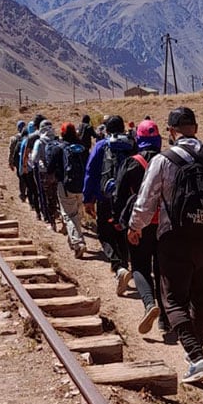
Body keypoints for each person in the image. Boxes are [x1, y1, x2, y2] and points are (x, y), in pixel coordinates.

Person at [128, 107, 203, 385]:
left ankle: (197, 357)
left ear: (171, 131)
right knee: (201, 297)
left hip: (174, 237)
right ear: (196, 128)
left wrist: (135, 227)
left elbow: (146, 199)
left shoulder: (164, 161)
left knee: (173, 299)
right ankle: (195, 354)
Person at [113, 120, 169, 334]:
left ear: (138, 139)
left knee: (139, 266)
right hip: (165, 224)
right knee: (162, 270)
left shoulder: (131, 163)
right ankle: (165, 319)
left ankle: (149, 304)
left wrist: (119, 221)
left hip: (139, 224)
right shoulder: (168, 162)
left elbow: (118, 195)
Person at [83, 115, 136, 295]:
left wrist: (88, 199)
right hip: (128, 199)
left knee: (105, 234)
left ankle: (118, 268)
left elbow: (90, 173)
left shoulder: (101, 146)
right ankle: (125, 265)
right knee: (122, 233)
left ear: (107, 129)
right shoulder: (131, 145)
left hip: (105, 197)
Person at [48, 122, 88, 258]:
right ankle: (73, 239)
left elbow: (50, 169)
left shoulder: (59, 148)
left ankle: (78, 243)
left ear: (62, 133)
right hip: (82, 186)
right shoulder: (82, 148)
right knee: (76, 213)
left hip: (66, 186)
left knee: (69, 215)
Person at [31, 120, 61, 231]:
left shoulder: (39, 142)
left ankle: (52, 223)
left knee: (48, 197)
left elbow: (34, 158)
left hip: (45, 172)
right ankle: (63, 220)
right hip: (58, 172)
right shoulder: (58, 140)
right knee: (59, 196)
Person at [18, 121, 42, 220]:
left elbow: (22, 156)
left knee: (33, 191)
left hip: (28, 169)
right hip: (41, 169)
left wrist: (22, 168)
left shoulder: (26, 140)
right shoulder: (41, 138)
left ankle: (36, 210)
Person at [8, 120, 27, 202]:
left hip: (18, 161)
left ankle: (22, 194)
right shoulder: (28, 137)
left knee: (21, 178)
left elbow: (11, 151)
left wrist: (10, 163)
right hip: (27, 161)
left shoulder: (14, 138)